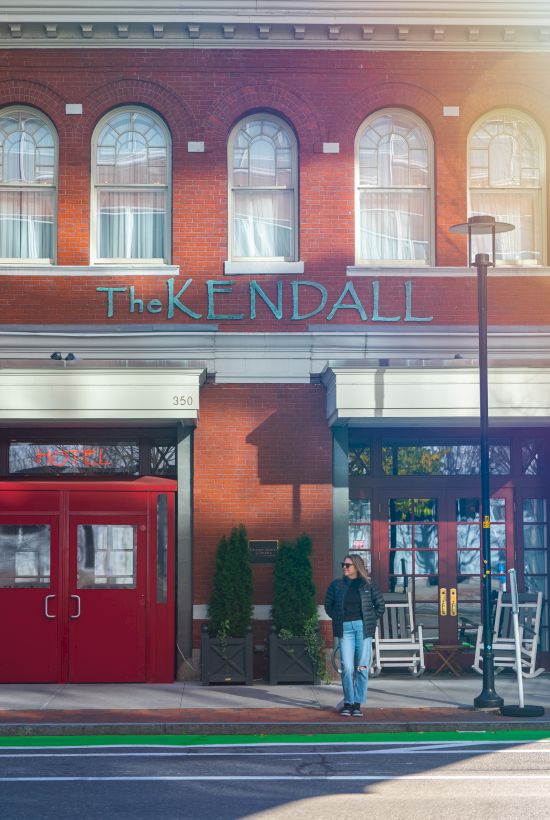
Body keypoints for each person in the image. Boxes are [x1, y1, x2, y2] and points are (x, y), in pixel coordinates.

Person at [324, 554, 385, 716]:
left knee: (363, 667)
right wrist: (338, 617)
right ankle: (348, 702)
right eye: (343, 564)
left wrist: (370, 620)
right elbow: (328, 605)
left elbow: (380, 605)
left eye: (348, 565)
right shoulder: (336, 585)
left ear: (356, 567)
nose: (344, 567)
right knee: (347, 667)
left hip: (363, 629)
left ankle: (357, 704)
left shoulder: (368, 585)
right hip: (345, 629)